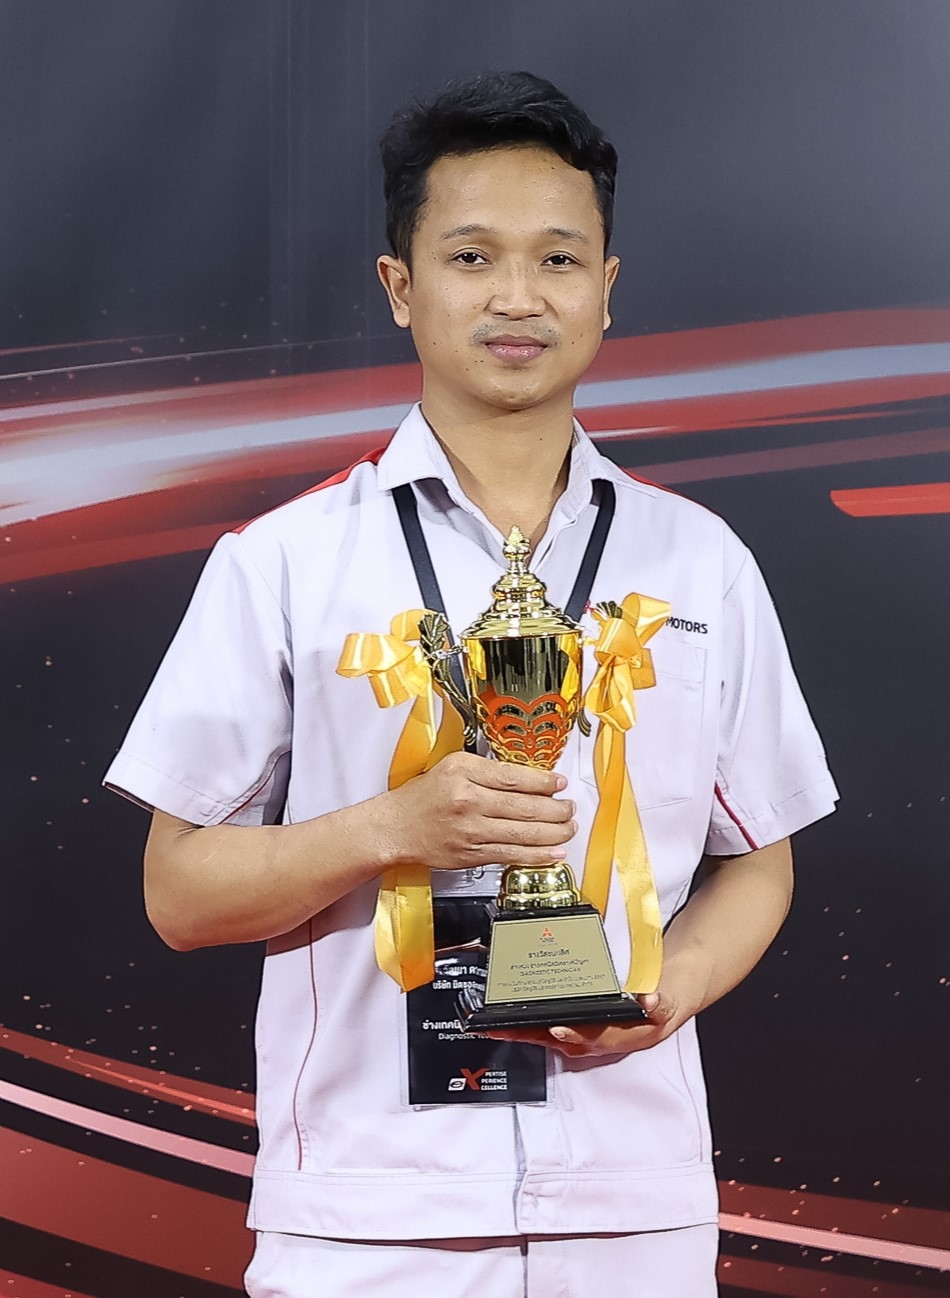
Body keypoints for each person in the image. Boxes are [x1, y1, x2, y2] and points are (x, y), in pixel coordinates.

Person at [105, 71, 837, 1297]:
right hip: (367, 1222)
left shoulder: (696, 560)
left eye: (557, 259)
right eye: (470, 256)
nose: (516, 296)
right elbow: (178, 891)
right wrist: (393, 825)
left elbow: (759, 855)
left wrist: (668, 991)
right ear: (400, 286)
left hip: (632, 1215)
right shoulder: (284, 561)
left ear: (605, 288)